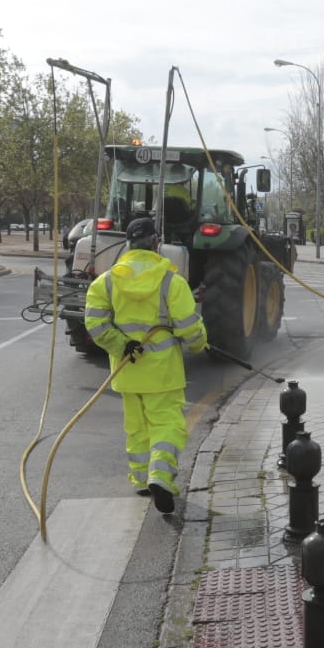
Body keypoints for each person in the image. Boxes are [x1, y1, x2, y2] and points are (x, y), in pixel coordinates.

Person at [84, 215, 208, 513]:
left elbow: (95, 324)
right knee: (167, 424)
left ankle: (140, 480)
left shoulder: (107, 281)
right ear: (155, 242)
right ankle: (160, 477)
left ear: (128, 244)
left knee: (137, 428)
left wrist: (121, 344)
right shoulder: (171, 282)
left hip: (127, 371)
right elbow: (190, 328)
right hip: (163, 374)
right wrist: (199, 344)